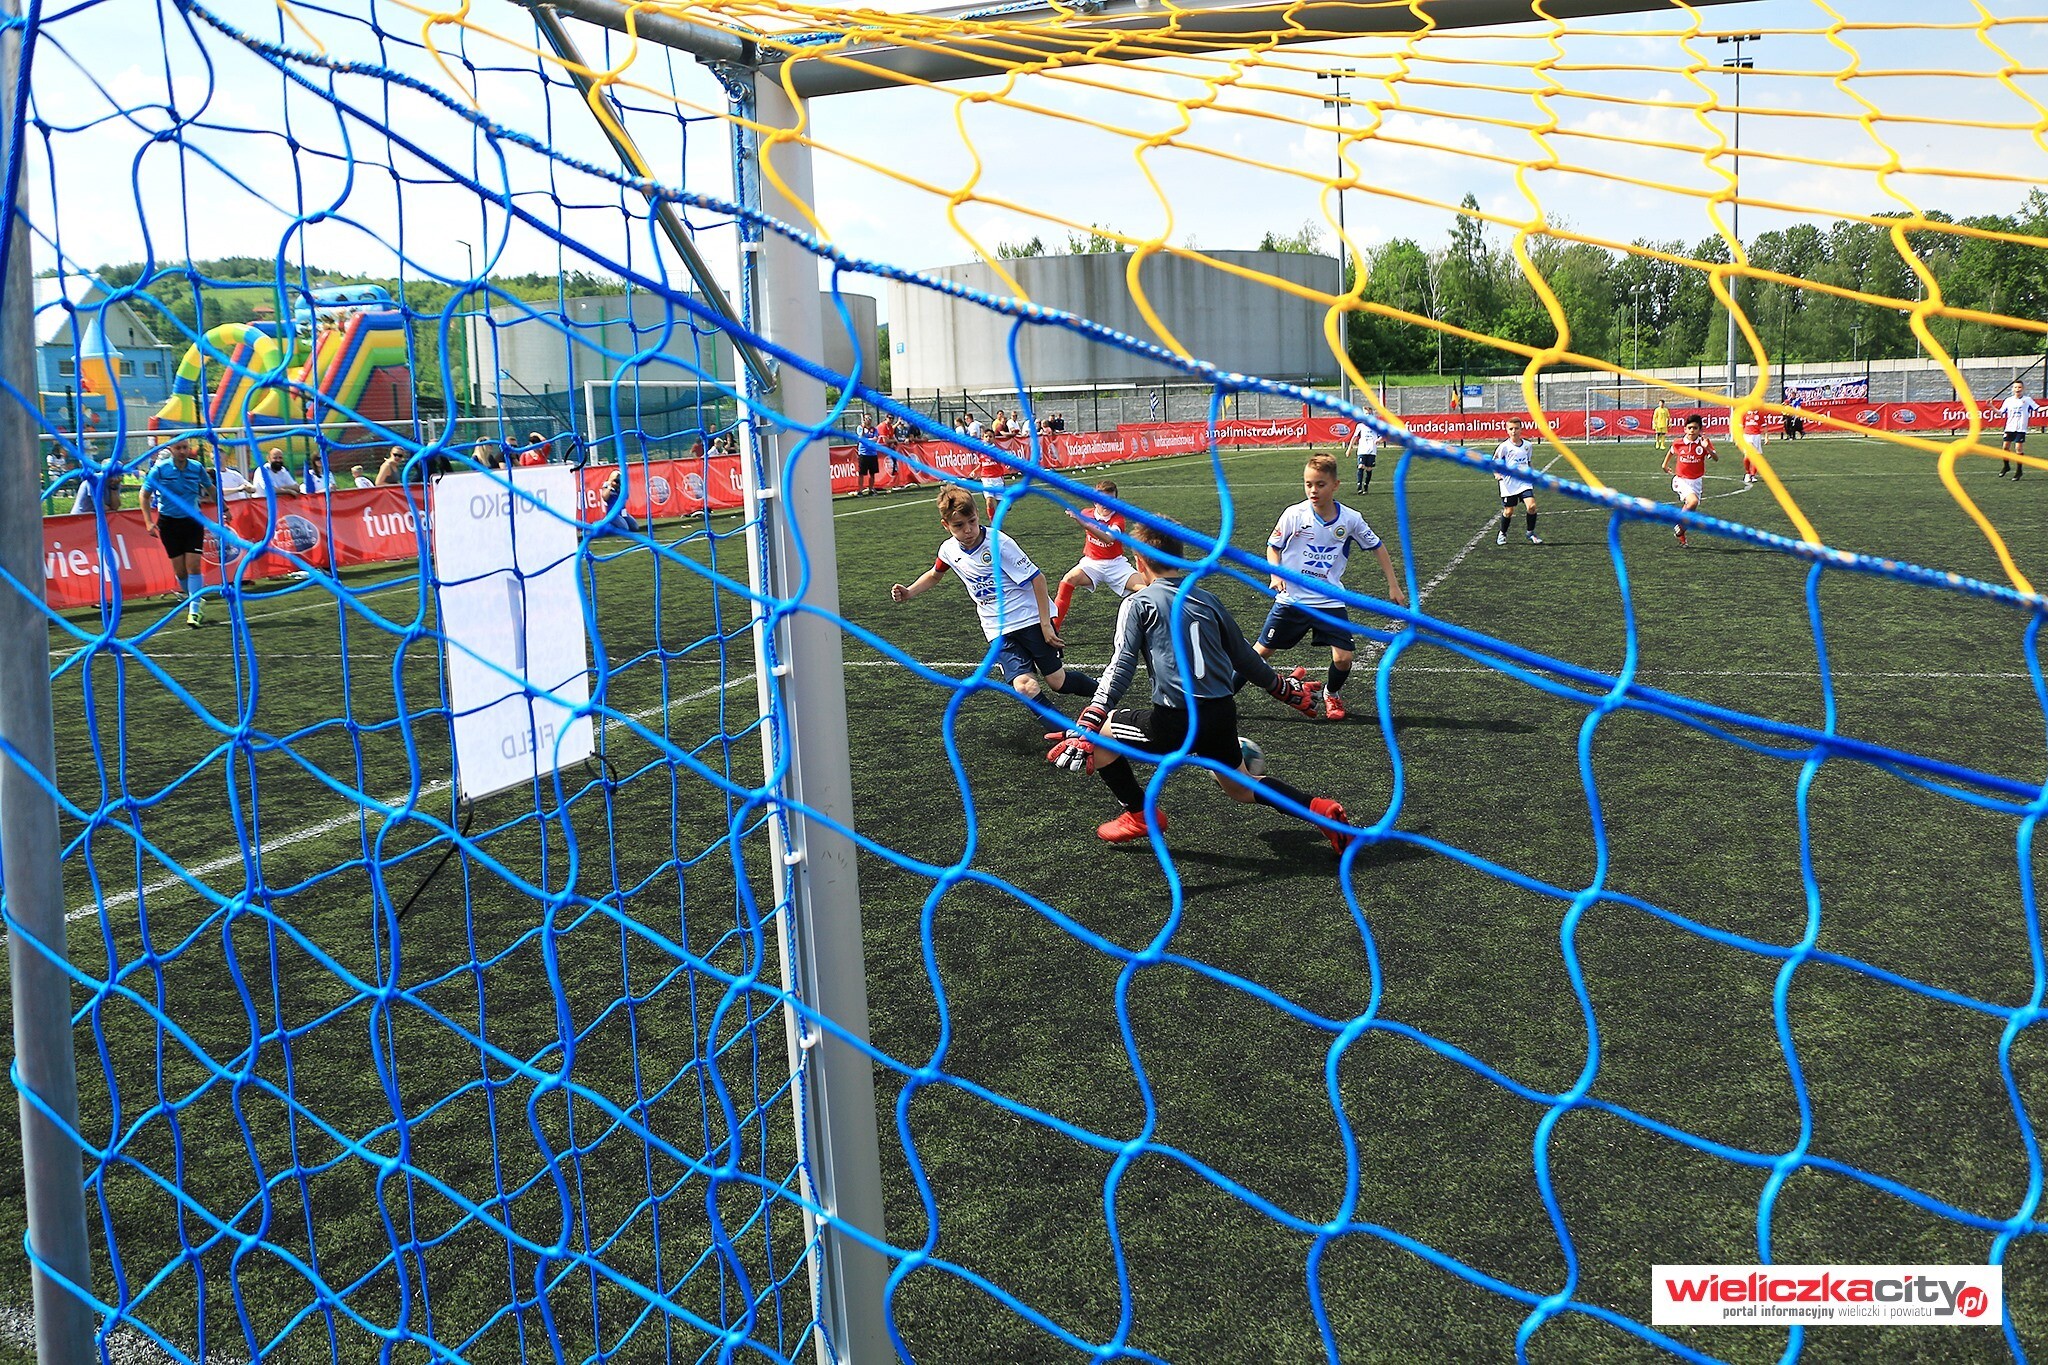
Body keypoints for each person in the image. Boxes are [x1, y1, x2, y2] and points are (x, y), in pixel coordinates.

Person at [1045, 520, 1350, 849]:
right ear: (1179, 557)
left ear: (1139, 561)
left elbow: (1121, 666)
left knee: (1101, 735)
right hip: (1220, 714)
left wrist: (1091, 717)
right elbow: (1246, 658)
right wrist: (1284, 690)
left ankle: (1139, 814)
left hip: (1175, 720)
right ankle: (1320, 810)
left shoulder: (1137, 603)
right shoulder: (1207, 599)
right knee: (1241, 786)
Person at [889, 486, 1096, 704]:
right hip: (997, 628)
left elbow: (1038, 579)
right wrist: (909, 591)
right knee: (1025, 686)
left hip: (1030, 619)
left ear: (977, 514)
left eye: (971, 521)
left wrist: (1046, 624)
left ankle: (1105, 692)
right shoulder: (948, 550)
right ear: (945, 525)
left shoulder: (999, 543)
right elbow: (935, 575)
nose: (968, 530)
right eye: (959, 525)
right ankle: (1060, 725)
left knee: (1058, 682)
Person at [1254, 455, 1408, 722]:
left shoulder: (1350, 519)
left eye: (1320, 484)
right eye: (1308, 484)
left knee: (1343, 658)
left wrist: (1393, 586)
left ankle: (1331, 693)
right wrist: (1275, 574)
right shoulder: (1294, 514)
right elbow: (1273, 547)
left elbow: (1378, 547)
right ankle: (1220, 697)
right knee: (1258, 654)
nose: (1313, 490)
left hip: (1330, 600)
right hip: (1292, 600)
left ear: (1335, 485)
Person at [1052, 480, 1151, 633]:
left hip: (1116, 564)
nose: (1106, 504)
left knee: (1146, 590)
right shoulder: (1086, 513)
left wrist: (1085, 524)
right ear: (1095, 501)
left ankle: (1154, 629)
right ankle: (1053, 629)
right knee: (1068, 580)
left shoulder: (1118, 519)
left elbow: (1108, 539)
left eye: (1110, 500)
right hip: (1091, 563)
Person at [141, 440, 217, 628]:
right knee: (180, 571)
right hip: (168, 523)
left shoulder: (196, 467)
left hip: (192, 521)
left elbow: (210, 488)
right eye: (178, 448)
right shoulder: (160, 470)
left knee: (193, 565)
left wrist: (224, 508)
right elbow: (144, 495)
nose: (182, 451)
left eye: (185, 448)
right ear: (171, 449)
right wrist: (149, 522)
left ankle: (194, 610)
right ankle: (196, 599)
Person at [1662, 412, 1717, 546]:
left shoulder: (1704, 443)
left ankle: (1681, 533)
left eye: (1695, 428)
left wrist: (1707, 448)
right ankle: (1678, 523)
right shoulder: (1679, 442)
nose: (1692, 430)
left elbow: (1716, 458)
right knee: (1693, 502)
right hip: (1681, 480)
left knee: (1690, 510)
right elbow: (1671, 451)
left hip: (1696, 481)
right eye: (1690, 428)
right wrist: (1664, 465)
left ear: (1700, 430)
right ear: (1685, 429)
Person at [1493, 418, 1543, 546]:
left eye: (1516, 428)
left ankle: (1530, 532)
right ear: (1507, 430)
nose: (1514, 431)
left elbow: (1528, 462)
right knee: (1509, 511)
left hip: (1524, 482)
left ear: (1521, 429)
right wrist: (1497, 474)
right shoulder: (1504, 447)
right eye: (1511, 429)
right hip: (1508, 483)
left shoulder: (1527, 446)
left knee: (1531, 506)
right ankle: (1502, 533)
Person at [2001, 379, 2038, 480]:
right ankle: (2006, 466)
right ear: (2013, 389)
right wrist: (1991, 406)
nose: (2017, 389)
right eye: (2016, 387)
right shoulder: (2008, 400)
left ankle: (2019, 471)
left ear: (2023, 389)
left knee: (2018, 448)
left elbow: (2038, 409)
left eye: (2020, 387)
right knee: (2005, 447)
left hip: (2021, 428)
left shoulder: (2027, 400)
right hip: (2009, 427)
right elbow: (2000, 412)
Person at [591, 469, 640, 537]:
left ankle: (613, 524)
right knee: (624, 528)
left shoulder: (620, 487)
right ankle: (604, 525)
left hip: (622, 512)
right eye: (615, 481)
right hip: (613, 513)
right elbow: (605, 497)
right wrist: (610, 485)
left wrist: (622, 486)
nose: (617, 483)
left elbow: (626, 497)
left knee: (635, 527)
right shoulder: (607, 485)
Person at [1349, 420, 1382, 494]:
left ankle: (1366, 485)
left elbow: (1383, 435)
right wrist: (1349, 448)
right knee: (1361, 466)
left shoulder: (1376, 425)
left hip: (1372, 451)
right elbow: (1354, 437)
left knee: (1369, 469)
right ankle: (1359, 486)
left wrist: (1379, 440)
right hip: (1362, 450)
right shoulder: (1360, 426)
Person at [856, 419, 882, 496]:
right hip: (863, 453)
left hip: (872, 453)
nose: (868, 420)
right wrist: (863, 429)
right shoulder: (860, 428)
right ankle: (860, 491)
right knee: (861, 473)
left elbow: (875, 439)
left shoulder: (874, 429)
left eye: (870, 419)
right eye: (866, 419)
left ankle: (871, 489)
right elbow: (860, 438)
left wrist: (866, 440)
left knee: (872, 473)